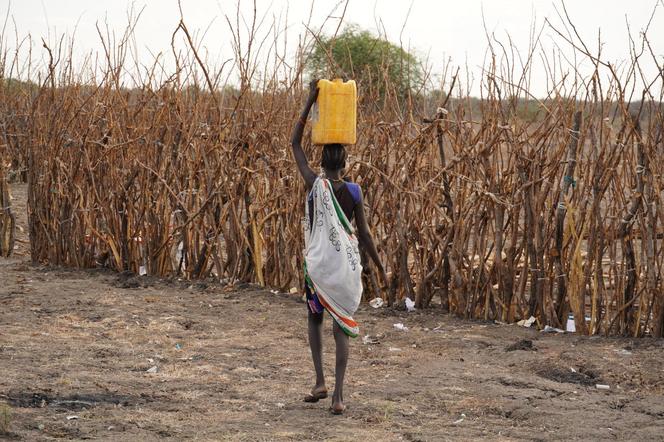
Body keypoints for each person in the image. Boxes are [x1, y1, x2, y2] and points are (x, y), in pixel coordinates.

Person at [291, 79, 387, 415]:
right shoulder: (355, 192)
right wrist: (380, 267)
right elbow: (364, 234)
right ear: (345, 163)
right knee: (341, 325)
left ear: (323, 161)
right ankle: (338, 397)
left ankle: (320, 380)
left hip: (319, 268)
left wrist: (309, 103)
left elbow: (294, 144)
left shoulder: (314, 184)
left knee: (315, 317)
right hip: (344, 269)